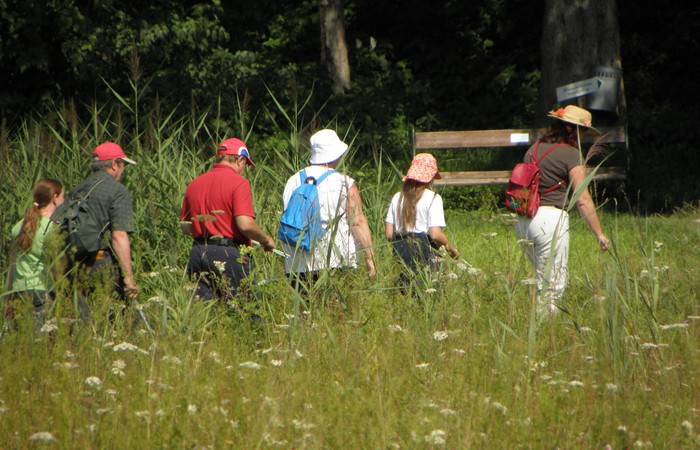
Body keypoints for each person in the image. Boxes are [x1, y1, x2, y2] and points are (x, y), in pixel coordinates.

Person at [515, 105, 611, 316]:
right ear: (574, 130)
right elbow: (583, 199)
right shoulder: (571, 154)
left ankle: (536, 325)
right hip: (550, 220)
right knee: (553, 285)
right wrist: (599, 234)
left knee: (542, 279)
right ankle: (547, 333)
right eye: (584, 132)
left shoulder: (533, 148)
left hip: (523, 221)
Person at [180, 138, 276, 301]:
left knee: (205, 314)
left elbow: (185, 226)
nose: (244, 169)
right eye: (246, 164)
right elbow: (245, 225)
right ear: (239, 159)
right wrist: (266, 240)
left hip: (198, 252)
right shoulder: (239, 183)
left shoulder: (194, 184)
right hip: (228, 253)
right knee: (244, 310)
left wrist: (207, 228)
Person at [281, 129, 376, 288]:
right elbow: (357, 221)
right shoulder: (344, 182)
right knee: (335, 309)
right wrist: (370, 258)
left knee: (305, 310)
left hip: (297, 262)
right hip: (335, 260)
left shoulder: (293, 180)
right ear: (336, 154)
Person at [60, 142, 139, 305]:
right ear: (114, 164)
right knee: (111, 316)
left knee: (82, 319)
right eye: (123, 164)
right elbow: (119, 235)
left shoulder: (77, 189)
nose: (123, 170)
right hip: (100, 262)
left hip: (74, 262)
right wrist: (128, 277)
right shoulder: (118, 190)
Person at [385, 153, 460, 286]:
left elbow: (389, 235)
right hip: (425, 249)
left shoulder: (397, 197)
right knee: (428, 289)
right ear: (430, 177)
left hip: (401, 249)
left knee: (404, 290)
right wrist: (451, 250)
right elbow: (435, 234)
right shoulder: (433, 198)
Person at [4, 179, 64, 330]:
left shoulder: (18, 226)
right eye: (63, 196)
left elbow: (12, 266)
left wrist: (7, 298)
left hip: (18, 291)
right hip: (41, 291)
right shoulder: (51, 228)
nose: (64, 201)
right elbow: (56, 267)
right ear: (55, 198)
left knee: (19, 341)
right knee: (39, 341)